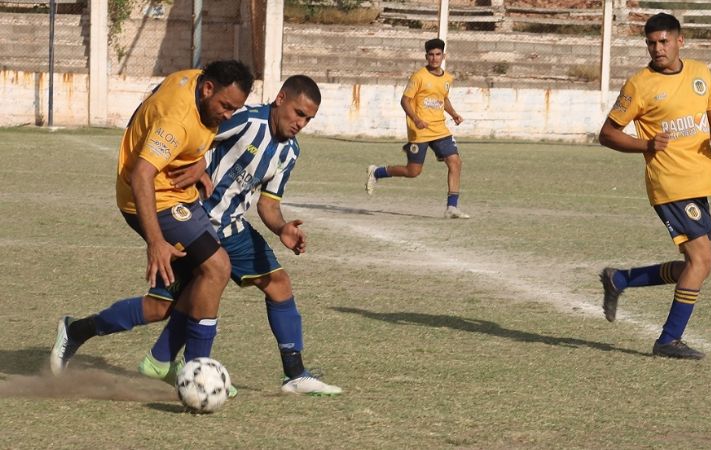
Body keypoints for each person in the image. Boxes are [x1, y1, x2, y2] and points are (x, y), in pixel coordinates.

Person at [50, 61, 254, 390]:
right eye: (226, 107)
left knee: (166, 305)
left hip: (179, 195)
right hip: (149, 199)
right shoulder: (176, 119)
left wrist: (198, 162)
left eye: (235, 108)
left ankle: (83, 332)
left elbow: (163, 119)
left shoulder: (201, 83)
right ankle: (198, 373)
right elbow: (141, 173)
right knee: (217, 268)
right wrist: (155, 242)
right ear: (207, 90)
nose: (229, 115)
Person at [150, 74, 341, 395]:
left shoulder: (289, 153)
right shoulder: (247, 119)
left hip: (234, 227)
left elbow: (268, 204)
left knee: (279, 284)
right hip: (196, 220)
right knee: (159, 308)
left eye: (308, 119)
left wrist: (282, 228)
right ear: (280, 99)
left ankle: (294, 374)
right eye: (298, 113)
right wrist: (199, 167)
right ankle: (81, 331)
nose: (301, 123)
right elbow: (201, 137)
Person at [597, 13, 711, 359]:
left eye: (663, 42)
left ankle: (620, 280)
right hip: (669, 183)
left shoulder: (700, 74)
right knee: (702, 259)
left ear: (679, 40)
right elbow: (607, 134)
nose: (657, 49)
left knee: (693, 264)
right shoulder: (639, 85)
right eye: (651, 43)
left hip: (699, 179)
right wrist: (646, 145)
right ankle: (669, 339)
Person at [364, 38, 469, 219]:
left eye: (438, 54)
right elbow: (405, 100)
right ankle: (377, 172)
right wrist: (416, 119)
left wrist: (453, 114)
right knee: (413, 171)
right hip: (419, 129)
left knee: (455, 162)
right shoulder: (419, 76)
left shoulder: (447, 78)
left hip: (440, 129)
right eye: (431, 55)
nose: (434, 58)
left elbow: (443, 99)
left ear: (444, 56)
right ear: (426, 56)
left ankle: (452, 207)